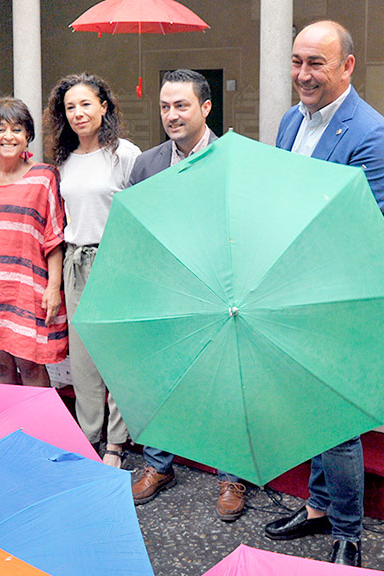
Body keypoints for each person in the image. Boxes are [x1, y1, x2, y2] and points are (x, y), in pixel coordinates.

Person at [262, 20, 384, 567]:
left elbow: (357, 224)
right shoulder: (290, 122)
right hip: (290, 290)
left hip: (338, 295)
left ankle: (347, 532)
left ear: (347, 66)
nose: (302, 74)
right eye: (297, 62)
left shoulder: (371, 132)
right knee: (306, 411)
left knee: (336, 421)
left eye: (315, 63)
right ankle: (318, 508)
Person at [126, 69, 249, 523]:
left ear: (206, 108)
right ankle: (158, 464)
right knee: (164, 379)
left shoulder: (233, 158)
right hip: (166, 289)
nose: (172, 115)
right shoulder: (147, 164)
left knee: (225, 385)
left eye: (181, 106)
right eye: (165, 106)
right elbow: (137, 228)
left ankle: (231, 475)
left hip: (221, 289)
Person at [44, 74, 140, 469]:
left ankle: (116, 443)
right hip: (74, 260)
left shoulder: (126, 155)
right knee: (83, 359)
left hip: (114, 261)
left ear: (104, 106)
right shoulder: (63, 160)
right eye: (70, 107)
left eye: (86, 104)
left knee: (115, 355)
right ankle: (88, 437)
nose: (78, 113)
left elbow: (139, 214)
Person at [0, 97, 68, 387]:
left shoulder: (44, 177)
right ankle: (6, 429)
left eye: (17, 129)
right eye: (0, 128)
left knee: (31, 367)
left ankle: (36, 429)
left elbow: (53, 239)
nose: (8, 136)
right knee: (0, 367)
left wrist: (53, 288)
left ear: (28, 137)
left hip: (27, 290)